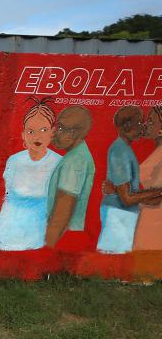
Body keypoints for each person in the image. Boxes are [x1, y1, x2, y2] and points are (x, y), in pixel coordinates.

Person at [0, 98, 62, 250]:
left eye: (44, 130)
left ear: (53, 132)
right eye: (30, 131)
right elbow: (8, 191)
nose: (37, 136)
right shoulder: (14, 161)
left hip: (41, 234)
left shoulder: (59, 163)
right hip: (9, 231)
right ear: (23, 134)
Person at [97, 106, 162, 253]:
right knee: (114, 260)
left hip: (128, 214)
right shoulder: (120, 151)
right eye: (140, 123)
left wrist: (115, 190)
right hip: (119, 214)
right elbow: (127, 198)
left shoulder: (125, 150)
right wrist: (118, 192)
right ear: (127, 126)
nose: (143, 126)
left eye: (148, 122)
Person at [44, 106, 95, 249]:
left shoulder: (75, 161)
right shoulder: (78, 155)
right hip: (67, 235)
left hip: (63, 238)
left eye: (60, 128)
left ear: (72, 134)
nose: (54, 132)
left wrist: (46, 250)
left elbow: (62, 214)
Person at [132, 106, 162, 250]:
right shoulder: (157, 151)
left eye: (151, 122)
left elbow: (158, 195)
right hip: (148, 219)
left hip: (156, 225)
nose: (146, 125)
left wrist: (125, 193)